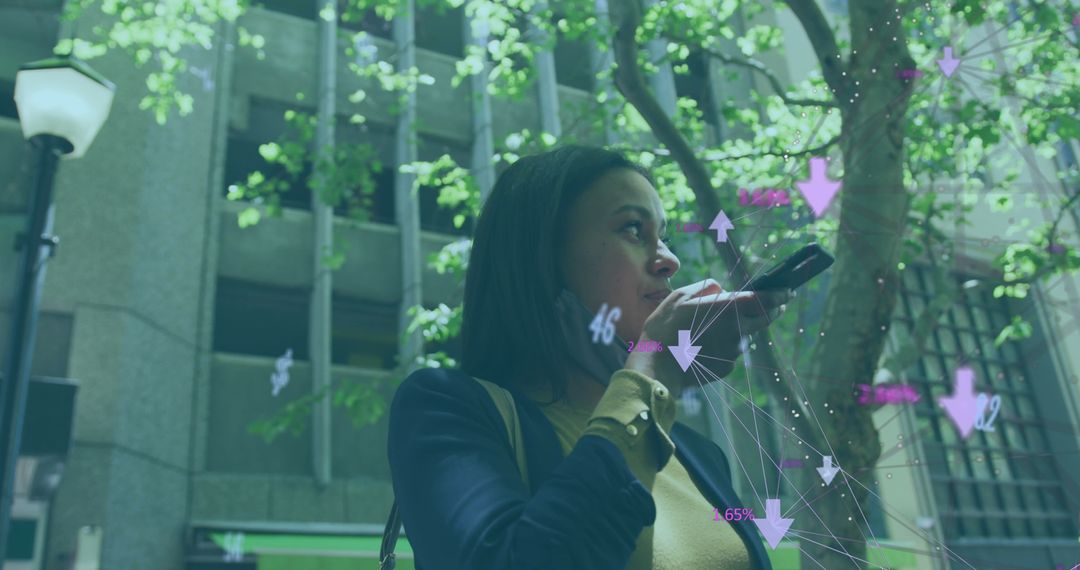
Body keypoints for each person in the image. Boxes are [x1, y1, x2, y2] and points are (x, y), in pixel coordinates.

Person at [387, 145, 789, 569]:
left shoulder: (700, 455)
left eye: (664, 237)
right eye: (633, 229)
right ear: (543, 256)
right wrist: (654, 365)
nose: (669, 260)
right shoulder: (446, 409)